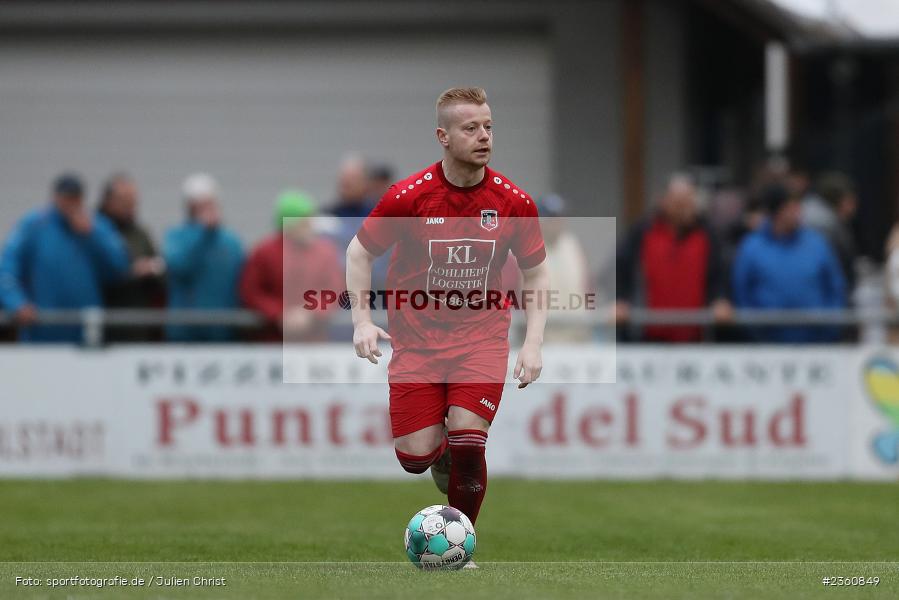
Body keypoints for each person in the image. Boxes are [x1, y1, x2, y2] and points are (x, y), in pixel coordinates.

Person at [346, 88, 549, 563]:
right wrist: (362, 320)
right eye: (471, 128)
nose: (484, 137)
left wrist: (533, 343)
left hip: (480, 339)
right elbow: (359, 253)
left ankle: (460, 547)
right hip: (416, 343)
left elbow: (537, 271)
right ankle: (438, 458)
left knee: (468, 436)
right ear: (443, 136)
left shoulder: (513, 201)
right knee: (414, 457)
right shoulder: (409, 197)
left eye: (489, 127)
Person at [0, 173, 129, 342]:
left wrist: (92, 236)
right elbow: (7, 267)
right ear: (55, 198)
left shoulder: (96, 225)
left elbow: (120, 266)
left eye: (75, 198)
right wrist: (16, 302)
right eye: (66, 198)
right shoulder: (34, 225)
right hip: (41, 330)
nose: (70, 204)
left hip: (85, 332)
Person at [615, 174, 732, 342]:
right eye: (678, 203)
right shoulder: (643, 231)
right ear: (664, 201)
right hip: (648, 335)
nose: (683, 209)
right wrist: (621, 299)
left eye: (688, 203)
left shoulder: (709, 235)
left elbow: (720, 273)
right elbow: (621, 266)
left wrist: (721, 299)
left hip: (695, 336)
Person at [732, 182, 846, 343]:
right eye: (791, 208)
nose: (798, 213)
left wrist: (830, 329)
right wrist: (756, 331)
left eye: (798, 207)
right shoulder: (751, 247)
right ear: (777, 212)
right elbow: (742, 292)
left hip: (817, 345)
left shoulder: (817, 243)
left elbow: (835, 287)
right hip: (767, 346)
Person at [240, 190, 343, 342]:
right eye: (304, 220)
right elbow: (251, 291)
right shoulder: (264, 253)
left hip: (313, 341)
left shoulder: (325, 252)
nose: (310, 225)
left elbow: (335, 288)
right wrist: (279, 313)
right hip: (273, 341)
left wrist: (310, 312)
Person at [163, 173, 244, 342]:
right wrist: (202, 233)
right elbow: (179, 266)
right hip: (185, 333)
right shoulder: (176, 237)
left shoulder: (231, 241)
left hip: (223, 333)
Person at [97, 172, 166, 342]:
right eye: (125, 200)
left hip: (136, 326)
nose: (131, 206)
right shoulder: (94, 231)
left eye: (133, 201)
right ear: (109, 201)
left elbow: (161, 270)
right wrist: (129, 272)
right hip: (104, 323)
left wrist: (153, 270)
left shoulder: (140, 233)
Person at [801, 172, 858, 293]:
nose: (854, 205)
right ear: (840, 199)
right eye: (851, 199)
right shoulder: (827, 224)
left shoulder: (810, 210)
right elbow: (841, 267)